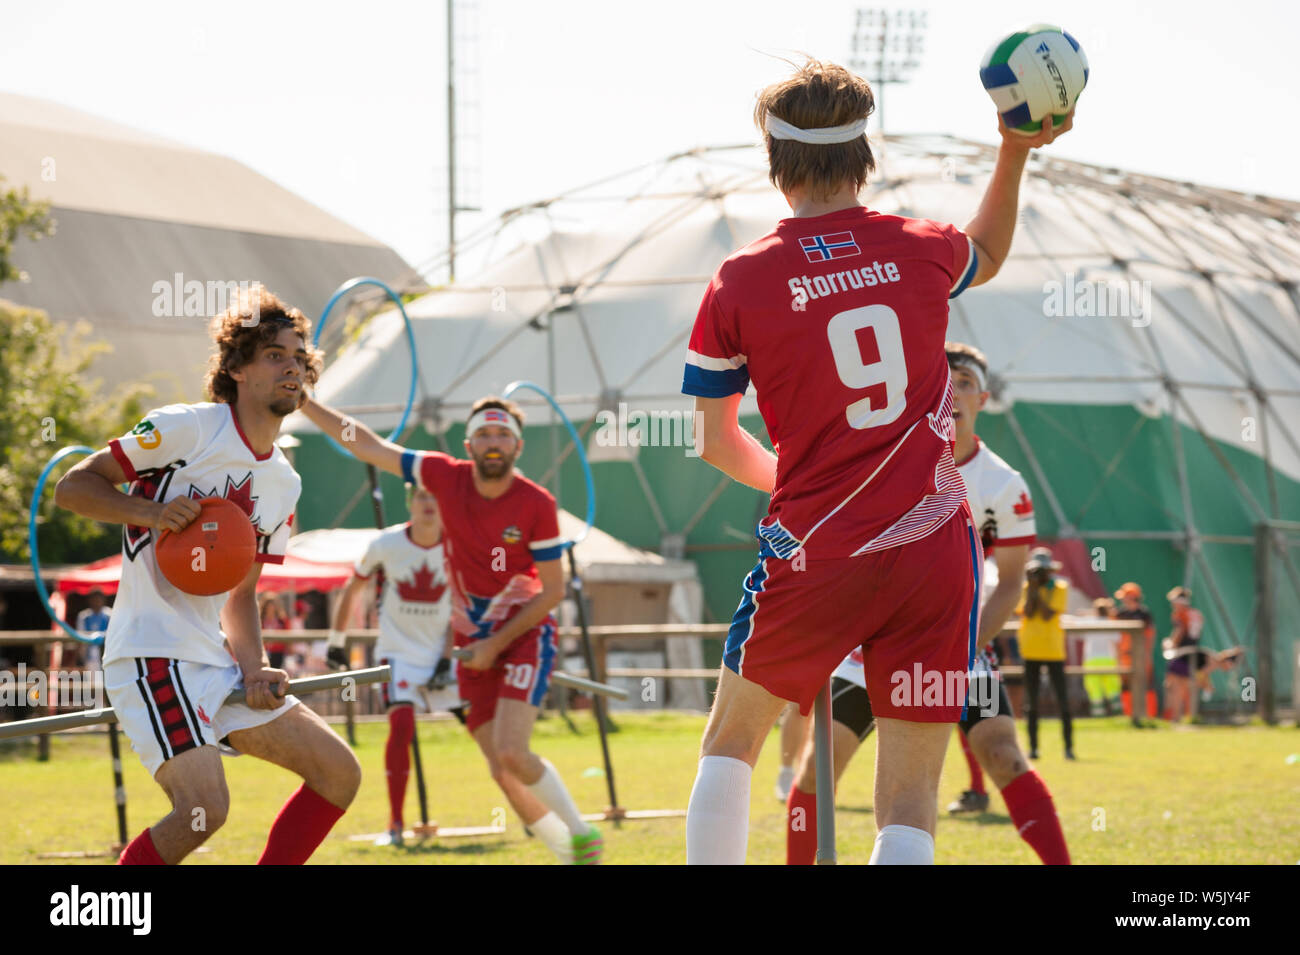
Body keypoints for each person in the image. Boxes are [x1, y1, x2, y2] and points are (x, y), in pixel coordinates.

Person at [680, 58, 1074, 865]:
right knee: (909, 797)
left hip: (816, 548)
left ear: (773, 162)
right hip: (934, 555)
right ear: (866, 157)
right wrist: (1015, 147)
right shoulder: (919, 247)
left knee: (732, 742)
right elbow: (990, 249)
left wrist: (796, 483)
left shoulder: (742, 278)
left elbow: (716, 441)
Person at [52, 285, 362, 865]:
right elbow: (74, 487)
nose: (292, 367)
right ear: (238, 368)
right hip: (150, 655)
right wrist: (150, 512)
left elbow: (240, 598)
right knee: (203, 810)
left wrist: (255, 668)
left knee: (338, 772)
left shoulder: (285, 485)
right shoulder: (184, 429)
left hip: (215, 662)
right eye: (275, 355)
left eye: (299, 358)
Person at [785, 342, 1071, 865]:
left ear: (983, 398)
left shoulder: (1004, 485)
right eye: (943, 380)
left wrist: (963, 648)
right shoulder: (884, 463)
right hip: (868, 641)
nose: (953, 391)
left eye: (965, 381)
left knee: (1004, 756)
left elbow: (1009, 583)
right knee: (816, 769)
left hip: (958, 640)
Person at [300, 394, 604, 864]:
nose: (493, 442)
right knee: (500, 768)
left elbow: (552, 591)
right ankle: (569, 853)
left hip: (523, 637)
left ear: (519, 446)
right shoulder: (444, 475)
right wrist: (303, 402)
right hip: (468, 642)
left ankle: (582, 836)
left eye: (503, 433)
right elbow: (369, 446)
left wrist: (495, 643)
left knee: (513, 753)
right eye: (483, 433)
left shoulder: (536, 504)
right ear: (468, 443)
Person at [324, 486, 460, 847]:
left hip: (445, 655)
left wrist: (448, 657)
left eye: (436, 497)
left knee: (489, 730)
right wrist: (337, 642)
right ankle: (396, 824)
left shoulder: (458, 544)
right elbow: (353, 588)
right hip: (397, 654)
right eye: (421, 497)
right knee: (400, 727)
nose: (429, 504)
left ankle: (531, 812)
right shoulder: (386, 545)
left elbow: (463, 606)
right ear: (409, 502)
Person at [1018, 548, 1074, 759]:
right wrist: (1032, 589)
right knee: (1031, 702)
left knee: (1063, 700)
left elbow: (1048, 614)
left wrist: (1037, 591)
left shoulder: (1059, 588)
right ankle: (1033, 748)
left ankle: (1068, 747)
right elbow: (1029, 612)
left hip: (1053, 651)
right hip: (1030, 649)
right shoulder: (1025, 588)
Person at [1113, 581, 1156, 726]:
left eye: (1126, 597)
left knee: (1145, 684)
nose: (1123, 600)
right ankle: (1129, 715)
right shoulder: (1120, 613)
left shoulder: (1144, 614)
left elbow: (1150, 635)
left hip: (1141, 654)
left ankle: (1149, 716)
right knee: (1125, 686)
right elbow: (1116, 636)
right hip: (1124, 654)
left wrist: (1147, 653)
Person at [1162, 586, 1204, 721]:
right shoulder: (1196, 613)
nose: (1172, 605)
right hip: (1193, 652)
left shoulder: (1180, 614)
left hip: (1181, 653)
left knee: (1173, 685)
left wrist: (1170, 644)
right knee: (1188, 685)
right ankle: (1190, 716)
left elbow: (1179, 632)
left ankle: (1175, 717)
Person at [1081, 597, 1122, 716]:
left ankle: (1098, 714)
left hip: (1091, 660)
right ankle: (1117, 713)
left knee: (1094, 688)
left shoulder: (1089, 622)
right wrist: (1118, 661)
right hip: (1108, 659)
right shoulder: (1111, 623)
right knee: (1112, 687)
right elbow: (1116, 644)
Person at [74, 587, 112, 669]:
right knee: (92, 680)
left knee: (105, 679)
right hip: (89, 655)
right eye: (94, 598)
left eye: (99, 598)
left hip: (107, 653)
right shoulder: (84, 616)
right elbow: (80, 636)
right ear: (90, 600)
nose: (97, 601)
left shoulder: (109, 614)